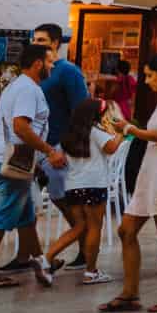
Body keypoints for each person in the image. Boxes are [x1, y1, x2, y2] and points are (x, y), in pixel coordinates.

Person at [101, 53, 157, 313]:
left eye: (150, 75)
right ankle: (130, 293)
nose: (146, 80)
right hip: (150, 170)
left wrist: (130, 129)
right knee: (126, 230)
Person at [0, 42, 64, 290]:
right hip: (13, 160)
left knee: (26, 217)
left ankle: (40, 262)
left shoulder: (18, 86)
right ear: (37, 64)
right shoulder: (28, 90)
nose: (52, 66)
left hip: (8, 158)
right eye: (49, 62)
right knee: (2, 216)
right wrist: (49, 151)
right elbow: (21, 127)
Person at [44, 97, 123, 284]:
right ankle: (91, 271)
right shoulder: (95, 132)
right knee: (95, 227)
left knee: (79, 227)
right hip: (94, 185)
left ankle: (46, 257)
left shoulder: (68, 134)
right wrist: (120, 133)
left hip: (73, 186)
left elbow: (58, 160)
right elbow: (111, 148)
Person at [32, 23, 89, 266]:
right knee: (37, 201)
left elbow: (81, 109)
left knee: (63, 198)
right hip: (39, 145)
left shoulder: (68, 72)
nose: (36, 44)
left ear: (55, 43)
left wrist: (68, 145)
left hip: (58, 145)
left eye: (42, 40)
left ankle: (86, 245)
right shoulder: (38, 71)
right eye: (34, 39)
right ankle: (29, 253)